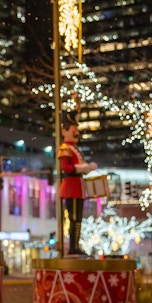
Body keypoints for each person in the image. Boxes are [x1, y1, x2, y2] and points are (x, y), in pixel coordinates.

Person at [58, 110, 98, 256]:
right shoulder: (65, 148)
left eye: (76, 129)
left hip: (78, 187)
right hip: (71, 188)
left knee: (78, 219)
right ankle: (73, 246)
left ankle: (76, 245)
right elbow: (66, 168)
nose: (76, 132)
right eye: (73, 129)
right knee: (74, 218)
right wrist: (85, 167)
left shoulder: (74, 148)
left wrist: (86, 168)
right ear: (64, 131)